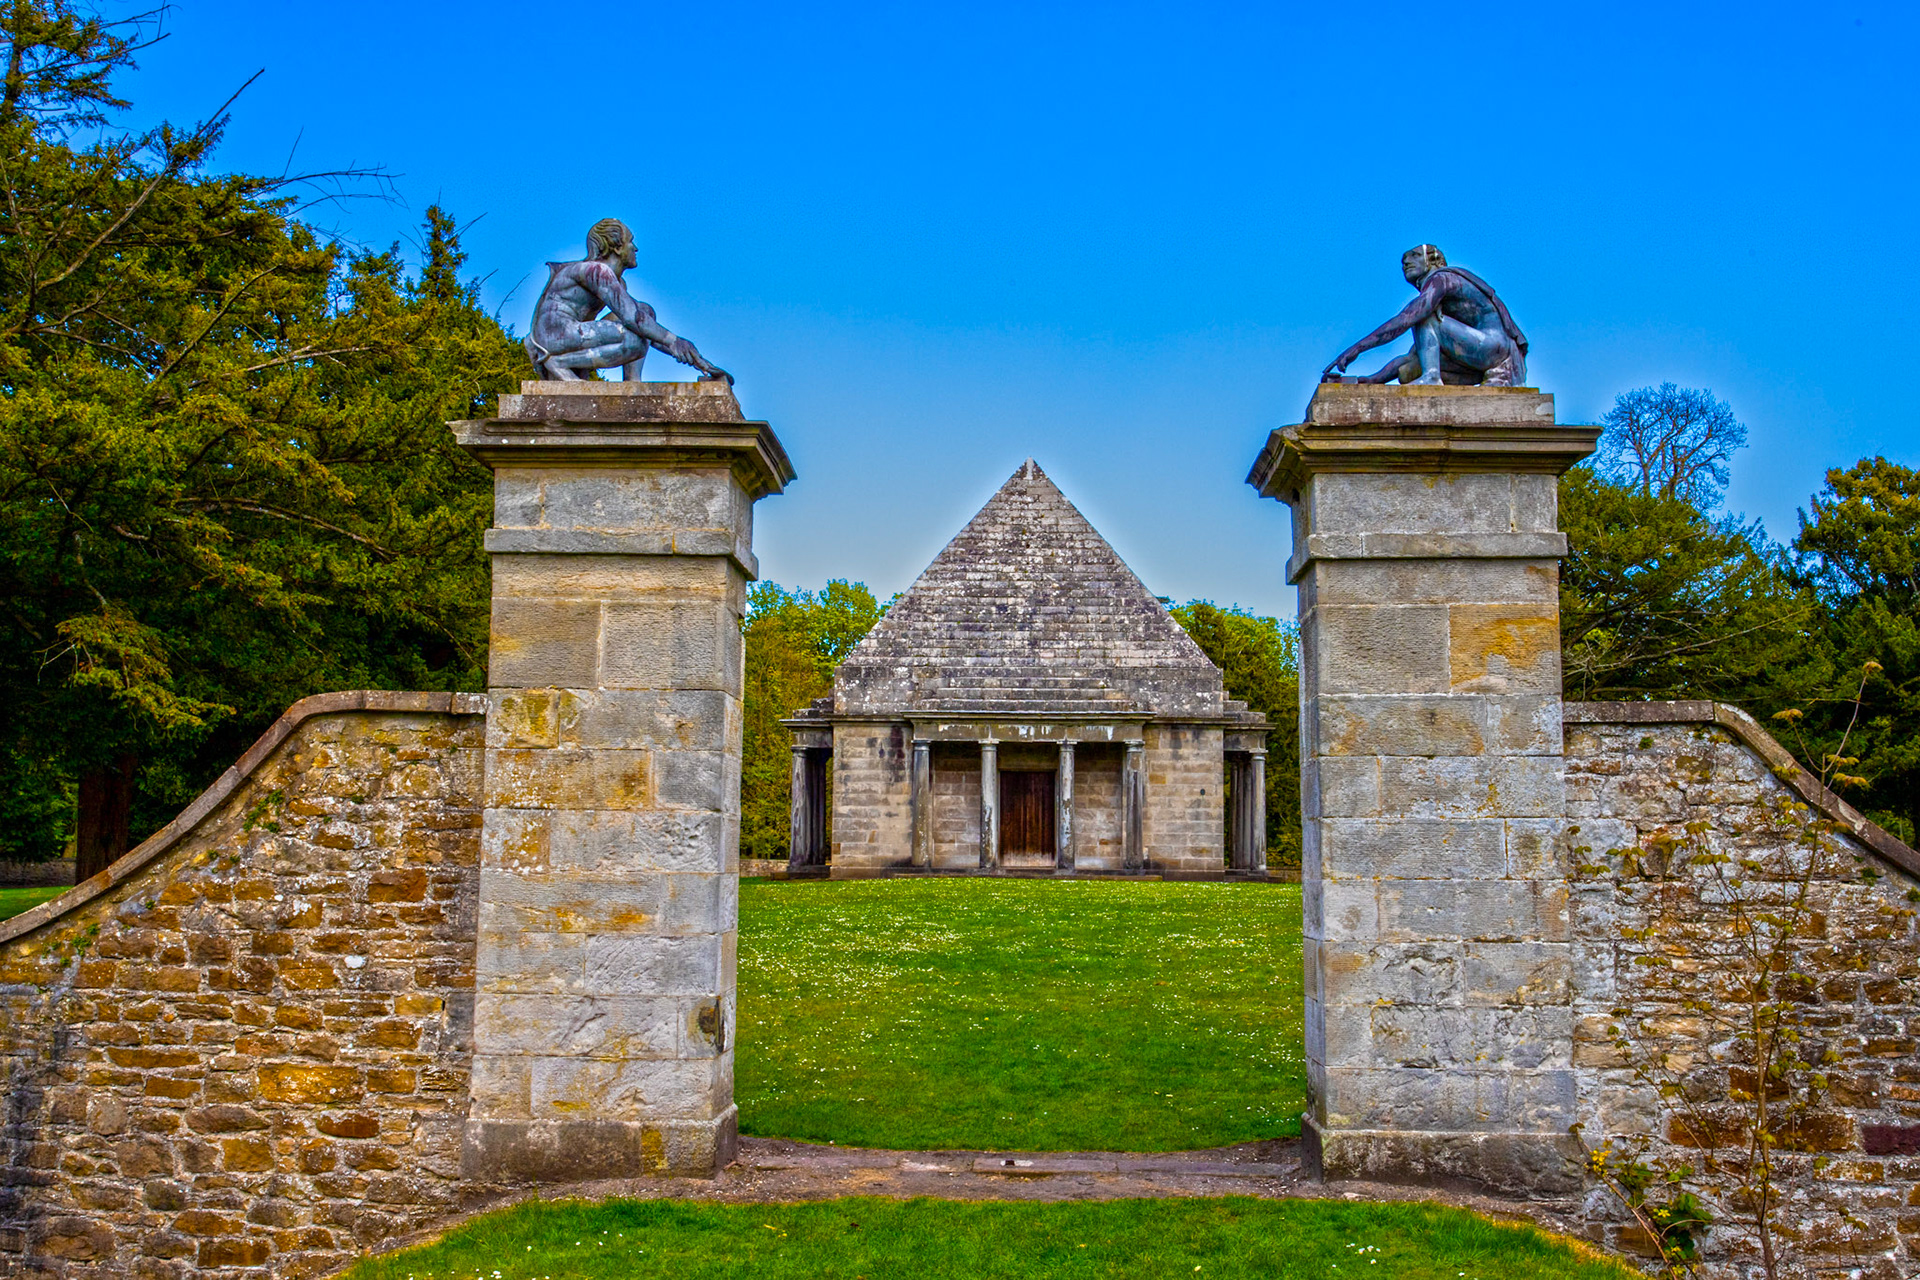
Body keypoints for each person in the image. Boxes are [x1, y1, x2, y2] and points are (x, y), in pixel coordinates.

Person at [524, 218, 732, 383]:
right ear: (616, 247)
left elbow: (643, 321)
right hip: (554, 335)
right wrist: (675, 340)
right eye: (631, 241)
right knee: (634, 339)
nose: (635, 248)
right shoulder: (595, 270)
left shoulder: (617, 283)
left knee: (645, 310)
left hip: (574, 332)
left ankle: (632, 382)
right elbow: (632, 318)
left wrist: (698, 361)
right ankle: (558, 362)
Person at [1321, 244, 1526, 386]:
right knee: (1411, 366)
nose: (1406, 262)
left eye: (1415, 256)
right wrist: (1372, 380)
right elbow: (1412, 356)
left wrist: (1356, 348)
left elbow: (1406, 319)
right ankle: (1428, 373)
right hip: (1485, 348)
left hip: (1491, 346)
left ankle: (1431, 377)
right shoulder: (1439, 305)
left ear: (1434, 261)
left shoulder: (1442, 278)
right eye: (1404, 260)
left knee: (1422, 315)